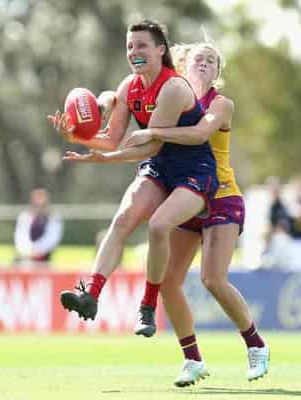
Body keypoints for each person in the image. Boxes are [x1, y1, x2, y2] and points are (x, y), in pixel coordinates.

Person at [48, 20, 218, 339]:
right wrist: (77, 137)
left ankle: (148, 306)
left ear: (160, 50)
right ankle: (91, 294)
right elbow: (112, 140)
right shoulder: (130, 87)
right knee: (123, 219)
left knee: (157, 226)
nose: (134, 52)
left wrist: (105, 159)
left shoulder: (172, 87)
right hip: (158, 167)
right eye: (129, 46)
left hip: (194, 171)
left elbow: (151, 144)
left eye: (141, 45)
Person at [125, 42, 269, 384]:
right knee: (169, 282)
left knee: (212, 279)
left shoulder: (221, 104)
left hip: (221, 196)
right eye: (198, 59)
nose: (204, 64)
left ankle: (255, 345)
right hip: (187, 193)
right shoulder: (172, 98)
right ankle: (192, 358)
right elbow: (133, 105)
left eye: (212, 61)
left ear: (218, 71)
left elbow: (201, 132)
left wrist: (153, 131)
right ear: (183, 65)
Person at [14, 188, 63, 265]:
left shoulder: (53, 217)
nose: (39, 202)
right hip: (25, 256)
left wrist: (39, 250)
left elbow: (52, 237)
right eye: (37, 198)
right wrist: (29, 251)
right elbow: (20, 236)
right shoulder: (25, 216)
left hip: (45, 257)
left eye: (42, 198)